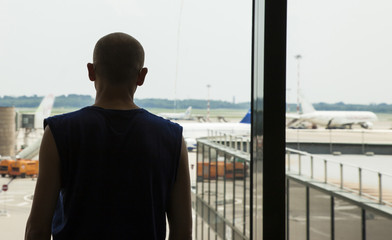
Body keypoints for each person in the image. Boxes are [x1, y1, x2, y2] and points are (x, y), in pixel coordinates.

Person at [25, 32, 192, 240]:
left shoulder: (58, 132)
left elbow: (37, 229)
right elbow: (183, 232)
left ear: (91, 71)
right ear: (142, 76)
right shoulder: (173, 138)